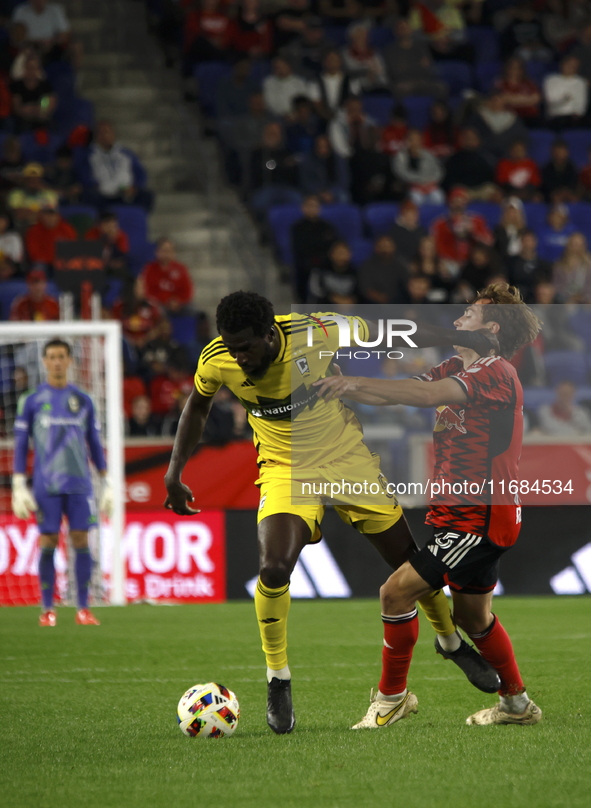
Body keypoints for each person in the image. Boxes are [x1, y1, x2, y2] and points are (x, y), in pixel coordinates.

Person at [163, 290, 501, 735]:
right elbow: (198, 406)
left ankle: (450, 641)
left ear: (270, 334)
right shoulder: (216, 358)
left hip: (346, 460)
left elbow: (395, 332)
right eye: (231, 345)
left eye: (246, 346)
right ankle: (278, 678)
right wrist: (174, 472)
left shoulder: (317, 331)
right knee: (274, 567)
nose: (238, 356)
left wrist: (466, 340)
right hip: (286, 469)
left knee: (409, 562)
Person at [315, 283, 543, 728]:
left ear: (491, 328)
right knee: (473, 616)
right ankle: (517, 706)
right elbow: (399, 390)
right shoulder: (456, 365)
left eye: (469, 315)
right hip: (468, 514)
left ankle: (391, 699)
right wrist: (339, 385)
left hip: (477, 517)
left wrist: (353, 381)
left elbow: (423, 397)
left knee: (395, 593)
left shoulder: (496, 373)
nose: (458, 319)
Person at [11, 339, 114, 626]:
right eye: (52, 357)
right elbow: (20, 445)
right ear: (44, 362)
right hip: (47, 484)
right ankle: (47, 609)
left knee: (81, 540)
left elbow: (94, 442)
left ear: (70, 361)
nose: (57, 362)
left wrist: (106, 480)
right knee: (49, 541)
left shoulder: (83, 400)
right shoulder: (31, 400)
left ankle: (82, 608)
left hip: (80, 483)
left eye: (61, 357)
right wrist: (19, 483)